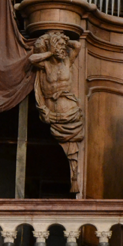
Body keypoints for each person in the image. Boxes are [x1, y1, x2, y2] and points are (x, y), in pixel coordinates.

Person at [29, 32, 84, 193]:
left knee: (73, 150)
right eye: (58, 46)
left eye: (62, 47)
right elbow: (31, 59)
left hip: (71, 112)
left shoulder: (67, 61)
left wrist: (66, 41)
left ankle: (74, 177)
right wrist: (50, 52)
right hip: (55, 115)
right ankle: (72, 176)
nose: (61, 49)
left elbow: (78, 46)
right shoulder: (46, 64)